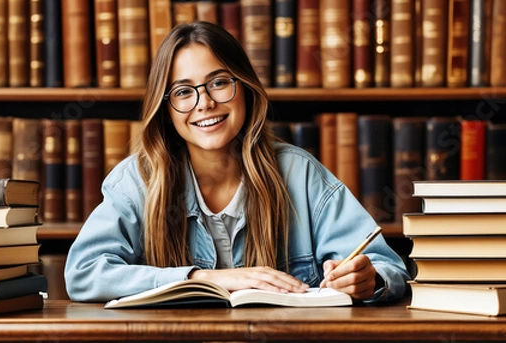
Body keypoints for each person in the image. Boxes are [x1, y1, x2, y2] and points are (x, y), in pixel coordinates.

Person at [64, 21, 410, 303]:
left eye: (218, 83)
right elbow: (84, 273)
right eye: (184, 91)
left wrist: (369, 279)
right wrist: (204, 278)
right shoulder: (137, 180)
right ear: (166, 109)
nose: (205, 103)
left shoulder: (299, 175)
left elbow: (387, 267)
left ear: (244, 87)